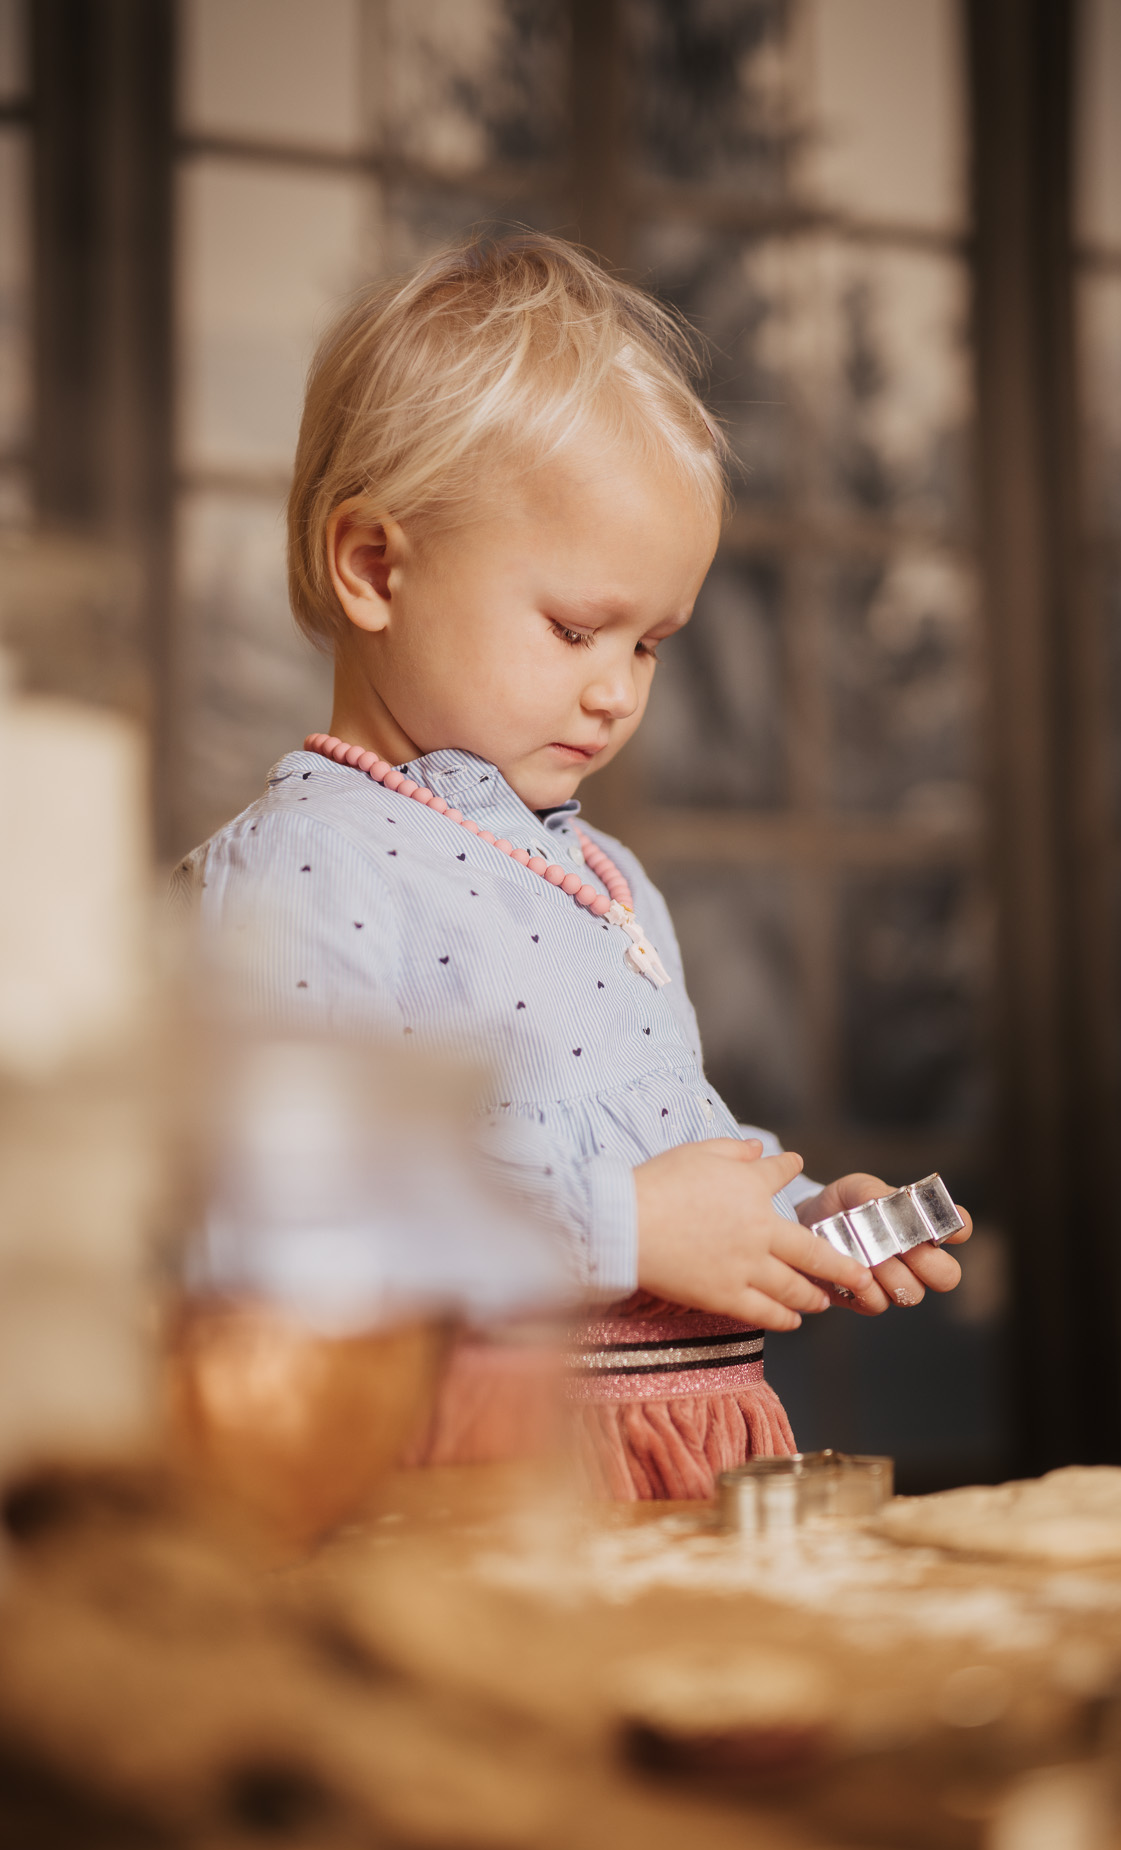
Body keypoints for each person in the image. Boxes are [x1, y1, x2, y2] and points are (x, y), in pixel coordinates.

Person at [175, 235, 971, 1500]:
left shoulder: (606, 877)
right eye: (572, 627)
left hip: (695, 1460)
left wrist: (799, 1220)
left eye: (651, 643)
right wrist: (625, 1229)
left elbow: (651, 1139)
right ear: (374, 566)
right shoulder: (302, 870)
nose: (614, 691)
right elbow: (277, 1221)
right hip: (498, 1487)